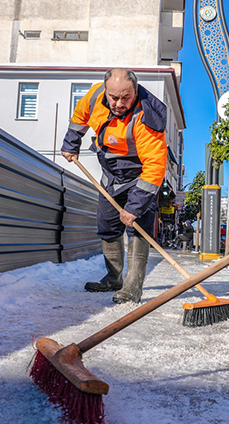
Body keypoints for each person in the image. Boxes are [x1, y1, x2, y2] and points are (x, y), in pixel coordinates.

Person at [61, 68, 167, 304]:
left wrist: (135, 207)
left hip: (140, 177)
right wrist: (71, 143)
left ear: (135, 91)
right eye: (114, 97)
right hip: (111, 175)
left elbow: (155, 167)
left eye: (126, 98)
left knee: (138, 229)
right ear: (106, 91)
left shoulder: (147, 118)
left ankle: (132, 287)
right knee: (107, 226)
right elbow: (80, 117)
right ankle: (113, 277)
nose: (119, 103)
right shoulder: (95, 95)